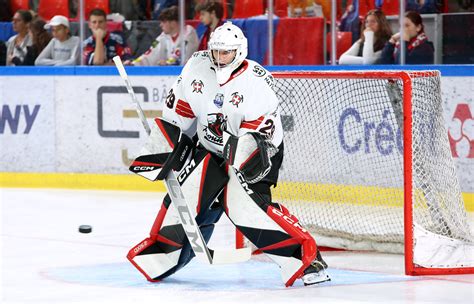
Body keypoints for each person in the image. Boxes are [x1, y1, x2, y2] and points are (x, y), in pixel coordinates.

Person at [127, 22, 331, 287]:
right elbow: (178, 116)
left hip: (258, 150)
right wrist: (165, 152)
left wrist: (231, 173)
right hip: (211, 146)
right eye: (217, 51)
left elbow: (256, 138)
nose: (220, 58)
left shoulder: (256, 83)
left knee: (244, 207)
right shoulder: (196, 68)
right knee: (186, 197)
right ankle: (162, 256)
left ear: (240, 52)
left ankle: (307, 261)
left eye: (227, 53)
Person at [130, 6, 198, 66]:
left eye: (164, 22)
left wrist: (168, 62)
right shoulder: (163, 36)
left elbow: (182, 55)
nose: (160, 25)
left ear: (173, 23)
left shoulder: (188, 32)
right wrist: (134, 63)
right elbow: (150, 53)